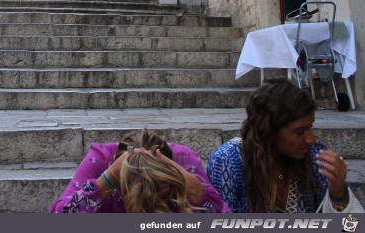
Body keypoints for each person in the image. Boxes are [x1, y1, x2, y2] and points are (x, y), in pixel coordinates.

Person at [207, 78, 362, 213]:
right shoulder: (228, 161)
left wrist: (339, 196)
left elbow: (350, 227)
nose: (311, 139)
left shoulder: (316, 155)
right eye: (300, 131)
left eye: (310, 127)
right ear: (269, 131)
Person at [49, 129, 230, 213]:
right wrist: (106, 180)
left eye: (158, 189)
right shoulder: (101, 161)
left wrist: (193, 187)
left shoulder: (184, 163)